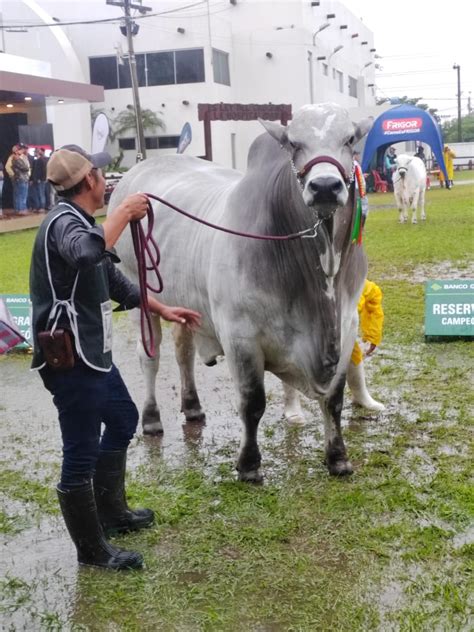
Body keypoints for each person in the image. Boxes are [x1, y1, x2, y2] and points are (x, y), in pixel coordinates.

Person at [30, 145, 201, 571]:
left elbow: (108, 277)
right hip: (70, 360)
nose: (107, 180)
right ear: (88, 180)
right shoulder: (64, 225)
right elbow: (87, 252)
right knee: (80, 453)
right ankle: (92, 551)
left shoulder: (81, 223)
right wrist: (123, 213)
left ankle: (113, 514)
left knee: (124, 419)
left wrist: (160, 308)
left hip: (92, 355)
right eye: (101, 173)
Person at [349, 279, 385, 411]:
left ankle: (360, 394)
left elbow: (373, 295)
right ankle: (292, 402)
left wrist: (371, 336)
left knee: (352, 350)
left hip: (342, 333)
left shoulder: (355, 282)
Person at [11, 144, 31, 214]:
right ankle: (21, 209)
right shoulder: (16, 159)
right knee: (21, 195)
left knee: (20, 195)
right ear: (17, 151)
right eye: (20, 149)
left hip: (21, 178)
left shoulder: (19, 158)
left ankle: (19, 209)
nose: (22, 151)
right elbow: (25, 168)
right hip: (21, 178)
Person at [29, 147, 48, 213]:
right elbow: (33, 171)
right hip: (35, 180)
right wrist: (31, 179)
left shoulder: (42, 160)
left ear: (38, 153)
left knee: (41, 193)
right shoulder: (35, 161)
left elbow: (44, 171)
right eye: (34, 152)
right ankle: (38, 206)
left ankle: (42, 207)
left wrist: (42, 179)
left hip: (41, 180)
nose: (34, 153)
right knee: (37, 193)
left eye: (35, 152)